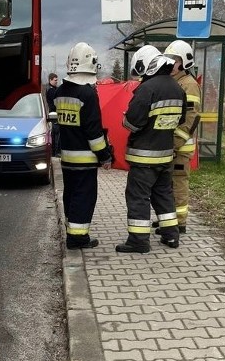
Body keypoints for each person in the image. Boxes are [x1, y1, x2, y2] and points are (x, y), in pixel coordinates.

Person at [116, 45, 186, 254]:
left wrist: (124, 119)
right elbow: (180, 120)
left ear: (146, 65)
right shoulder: (177, 87)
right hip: (165, 155)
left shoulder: (147, 89)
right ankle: (171, 236)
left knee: (138, 197)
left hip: (144, 157)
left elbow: (133, 123)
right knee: (164, 195)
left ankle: (138, 241)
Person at [54, 42, 112, 250]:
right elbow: (93, 131)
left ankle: (72, 229)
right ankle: (78, 238)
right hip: (85, 159)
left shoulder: (61, 91)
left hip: (67, 157)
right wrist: (105, 155)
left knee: (70, 194)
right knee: (84, 197)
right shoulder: (87, 94)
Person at [163, 40, 202, 234]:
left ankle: (179, 222)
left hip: (180, 146)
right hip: (171, 144)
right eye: (168, 60)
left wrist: (174, 143)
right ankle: (169, 220)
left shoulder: (189, 85)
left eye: (175, 60)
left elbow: (190, 118)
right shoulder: (175, 82)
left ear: (185, 62)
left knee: (178, 183)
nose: (171, 64)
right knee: (167, 184)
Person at [45, 72, 61, 157]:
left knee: (55, 135)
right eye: (55, 80)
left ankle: (54, 152)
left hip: (53, 114)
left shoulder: (52, 89)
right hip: (54, 115)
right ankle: (55, 153)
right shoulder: (51, 90)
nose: (56, 81)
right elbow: (55, 103)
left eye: (57, 80)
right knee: (56, 134)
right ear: (50, 80)